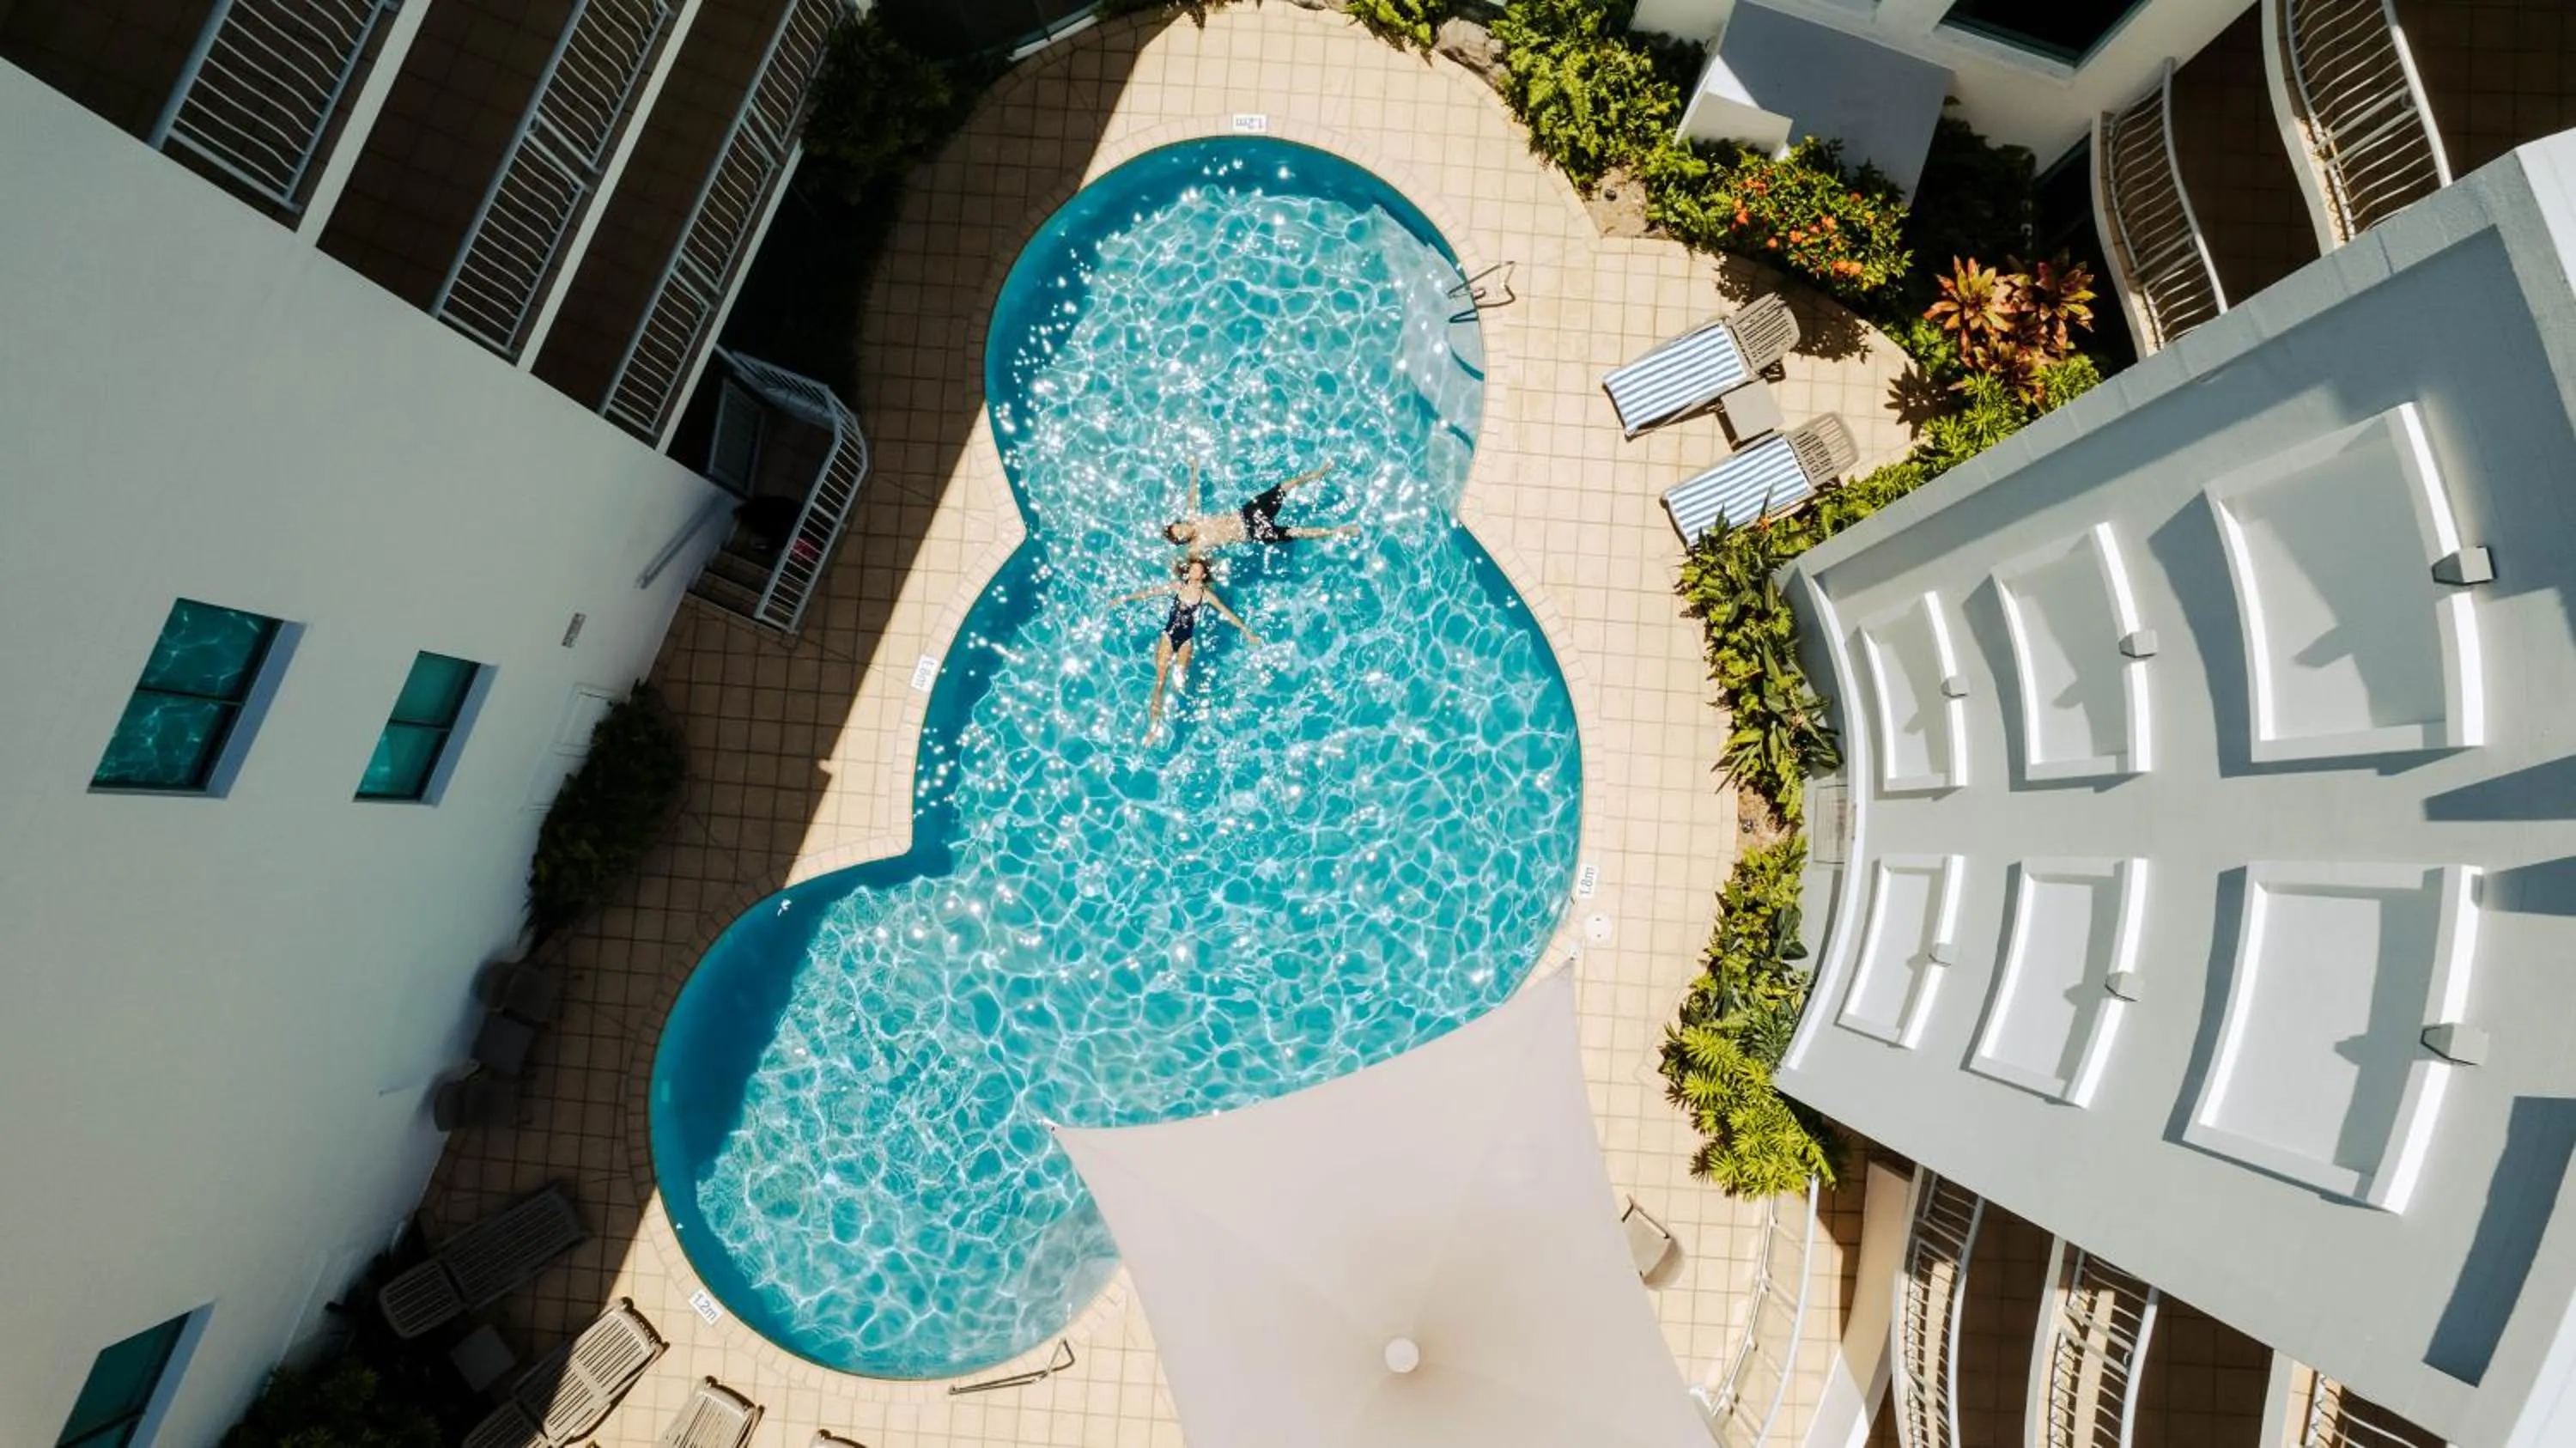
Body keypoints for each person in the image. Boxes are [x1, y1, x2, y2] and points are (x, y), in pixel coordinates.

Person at [1111, 557, 1259, 741]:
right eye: (1191, 568)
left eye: (1197, 569)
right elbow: (1150, 592)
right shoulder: (1177, 587)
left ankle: (1185, 706)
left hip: (1186, 640)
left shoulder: (1206, 596)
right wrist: (1125, 598)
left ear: (1203, 575)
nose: (1193, 571)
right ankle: (1153, 727)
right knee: (1160, 681)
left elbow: (1227, 613)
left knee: (1180, 680)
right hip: (1168, 636)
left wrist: (1246, 631)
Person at [1161, 459, 1358, 558]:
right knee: (1297, 532)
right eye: (1181, 534)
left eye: (1181, 526)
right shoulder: (1196, 548)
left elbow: (1192, 494)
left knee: (1284, 486)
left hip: (1248, 513)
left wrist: (1194, 469)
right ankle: (1339, 531)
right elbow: (1193, 566)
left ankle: (1316, 475)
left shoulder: (1194, 517)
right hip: (1253, 532)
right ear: (1182, 541)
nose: (1185, 529)